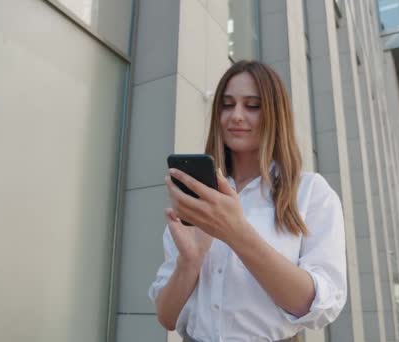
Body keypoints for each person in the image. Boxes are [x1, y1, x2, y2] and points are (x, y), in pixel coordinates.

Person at [148, 60, 347, 341]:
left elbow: (317, 306)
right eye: (227, 105)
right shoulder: (201, 195)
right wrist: (190, 261)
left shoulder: (311, 192)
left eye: (252, 105)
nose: (236, 116)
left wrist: (236, 232)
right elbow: (166, 317)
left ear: (275, 114)